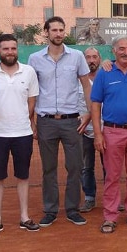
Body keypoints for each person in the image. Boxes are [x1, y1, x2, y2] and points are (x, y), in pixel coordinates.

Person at [28, 16, 92, 227]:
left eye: (61, 30)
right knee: (49, 169)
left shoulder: (77, 56)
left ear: (65, 32)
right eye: (54, 30)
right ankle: (50, 209)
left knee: (75, 166)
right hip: (46, 121)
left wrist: (89, 113)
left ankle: (73, 209)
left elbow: (86, 85)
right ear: (46, 32)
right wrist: (32, 120)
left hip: (72, 120)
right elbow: (31, 92)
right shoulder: (35, 59)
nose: (58, 33)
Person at [0, 34, 40, 236]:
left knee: (23, 175)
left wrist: (24, 120)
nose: (10, 52)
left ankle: (24, 217)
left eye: (13, 48)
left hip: (23, 133)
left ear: (17, 50)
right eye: (5, 49)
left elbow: (31, 102)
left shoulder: (29, 72)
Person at [91, 35, 127, 234]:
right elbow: (96, 104)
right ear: (114, 51)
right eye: (122, 48)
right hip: (112, 131)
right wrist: (98, 134)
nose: (126, 52)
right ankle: (110, 216)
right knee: (112, 177)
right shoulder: (104, 73)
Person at [78, 47, 105, 213]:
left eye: (94, 57)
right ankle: (89, 198)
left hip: (105, 129)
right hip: (83, 130)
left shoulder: (106, 76)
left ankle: (112, 198)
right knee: (86, 167)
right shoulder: (77, 79)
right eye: (87, 57)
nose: (91, 60)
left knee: (109, 166)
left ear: (100, 59)